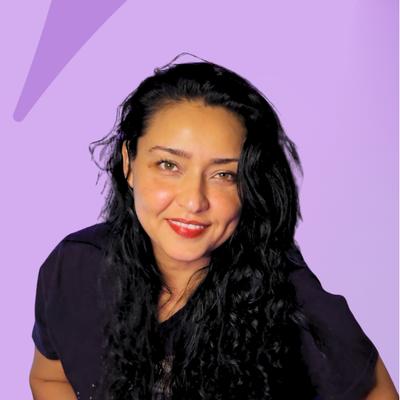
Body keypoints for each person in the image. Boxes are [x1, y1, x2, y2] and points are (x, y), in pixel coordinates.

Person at [29, 53, 398, 400]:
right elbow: (49, 378)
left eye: (224, 175)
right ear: (129, 163)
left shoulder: (291, 298)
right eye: (168, 165)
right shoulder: (75, 267)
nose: (194, 201)